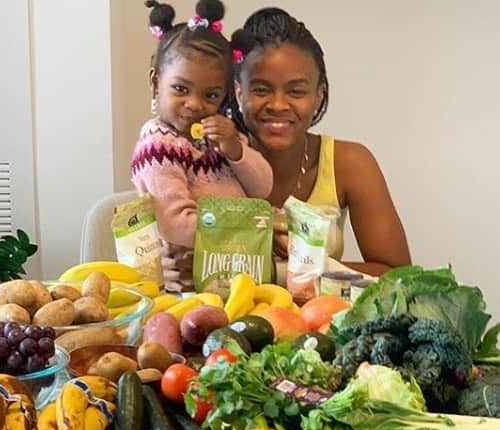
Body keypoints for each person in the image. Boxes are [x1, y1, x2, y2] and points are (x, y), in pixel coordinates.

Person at [231, 7, 411, 276]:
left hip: (323, 317)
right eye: (261, 89)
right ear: (238, 91)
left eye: (296, 91)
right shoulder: (210, 161)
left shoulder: (350, 163)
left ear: (318, 95)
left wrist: (301, 270)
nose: (278, 104)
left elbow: (398, 273)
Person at [131, 0, 273, 292]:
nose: (195, 105)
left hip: (235, 271)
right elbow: (175, 224)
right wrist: (249, 232)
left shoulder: (220, 135)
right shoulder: (157, 146)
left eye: (210, 95)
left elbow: (263, 187)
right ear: (155, 83)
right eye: (181, 89)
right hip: (188, 283)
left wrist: (235, 149)